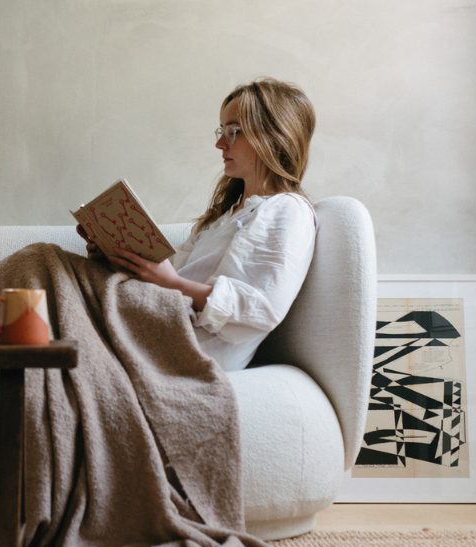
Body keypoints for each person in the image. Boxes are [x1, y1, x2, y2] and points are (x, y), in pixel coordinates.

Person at [77, 77, 318, 371]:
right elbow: (166, 276)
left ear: (275, 136)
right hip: (157, 317)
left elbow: (260, 309)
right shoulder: (224, 216)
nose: (220, 144)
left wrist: (170, 283)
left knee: (42, 263)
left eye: (234, 132)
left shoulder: (288, 210)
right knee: (49, 264)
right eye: (222, 131)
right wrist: (115, 256)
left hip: (185, 346)